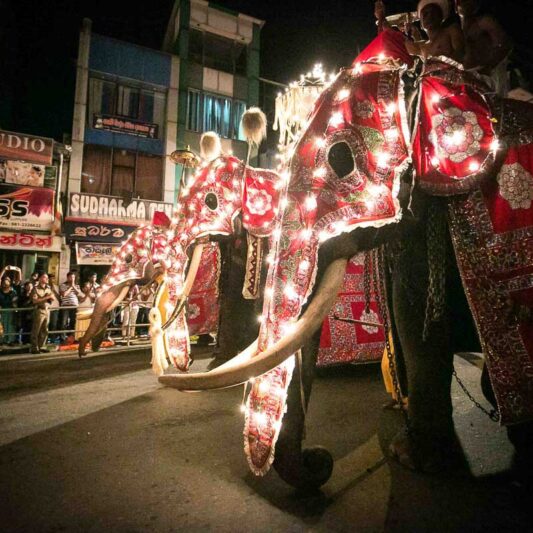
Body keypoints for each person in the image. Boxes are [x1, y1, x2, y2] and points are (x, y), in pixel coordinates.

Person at [375, 0, 465, 63]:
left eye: (433, 12)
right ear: (421, 24)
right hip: (432, 87)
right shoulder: (423, 46)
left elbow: (463, 56)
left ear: (441, 17)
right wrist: (381, 16)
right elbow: (390, 38)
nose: (428, 16)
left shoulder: (451, 30)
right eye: (424, 14)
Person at [456, 0, 512, 95]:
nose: (464, 3)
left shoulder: (485, 22)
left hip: (491, 75)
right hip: (469, 76)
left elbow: (504, 45)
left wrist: (489, 67)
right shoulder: (455, 30)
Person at [30, 273, 53, 354]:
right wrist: (46, 297)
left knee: (45, 329)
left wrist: (50, 299)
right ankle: (34, 347)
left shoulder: (48, 288)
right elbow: (35, 301)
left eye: (47, 277)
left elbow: (51, 298)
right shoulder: (35, 289)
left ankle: (42, 346)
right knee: (36, 329)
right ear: (39, 279)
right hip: (39, 310)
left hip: (47, 310)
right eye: (44, 277)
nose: (46, 279)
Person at [59, 271, 83, 341]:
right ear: (67, 277)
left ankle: (72, 337)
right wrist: (70, 287)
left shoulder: (77, 286)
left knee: (73, 322)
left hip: (74, 306)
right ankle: (63, 337)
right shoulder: (63, 285)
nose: (72, 279)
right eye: (71, 277)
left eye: (73, 277)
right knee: (64, 322)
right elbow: (64, 294)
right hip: (66, 306)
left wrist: (73, 286)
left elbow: (79, 293)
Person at [0, 273, 19, 345]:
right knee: (2, 325)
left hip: (10, 310)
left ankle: (10, 340)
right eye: (5, 280)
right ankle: (1, 340)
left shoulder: (13, 291)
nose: (6, 282)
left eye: (8, 280)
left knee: (10, 325)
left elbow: (15, 300)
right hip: (2, 311)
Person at [47, 273, 61, 342]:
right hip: (48, 308)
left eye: (53, 278)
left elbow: (59, 298)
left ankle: (52, 339)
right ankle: (45, 339)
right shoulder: (46, 287)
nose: (52, 280)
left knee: (53, 324)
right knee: (46, 324)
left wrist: (54, 290)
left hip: (55, 307)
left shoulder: (57, 287)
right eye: (51, 278)